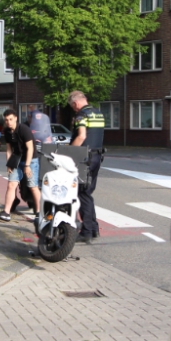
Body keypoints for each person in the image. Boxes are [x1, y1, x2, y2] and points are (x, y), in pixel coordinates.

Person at [68, 90, 106, 244]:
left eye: (72, 107)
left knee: (82, 193)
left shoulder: (81, 115)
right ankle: (94, 228)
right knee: (88, 192)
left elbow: (82, 136)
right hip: (97, 156)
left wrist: (68, 152)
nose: (73, 109)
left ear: (75, 103)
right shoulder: (98, 113)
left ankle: (86, 232)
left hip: (85, 158)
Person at [0, 109, 40, 222]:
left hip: (30, 160)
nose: (8, 122)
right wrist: (9, 164)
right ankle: (6, 212)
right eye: (6, 120)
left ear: (15, 118)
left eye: (10, 119)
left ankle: (39, 213)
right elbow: (9, 149)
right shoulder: (7, 131)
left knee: (33, 187)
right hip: (17, 160)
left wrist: (27, 165)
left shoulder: (24, 129)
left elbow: (30, 148)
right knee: (11, 185)